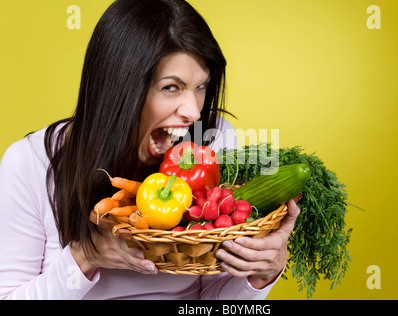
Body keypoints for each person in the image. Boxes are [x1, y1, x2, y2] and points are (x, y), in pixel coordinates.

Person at [0, 0, 300, 299]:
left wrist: (262, 274)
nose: (193, 112)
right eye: (171, 87)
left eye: (201, 86)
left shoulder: (212, 142)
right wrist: (82, 258)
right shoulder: (31, 162)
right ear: (118, 87)